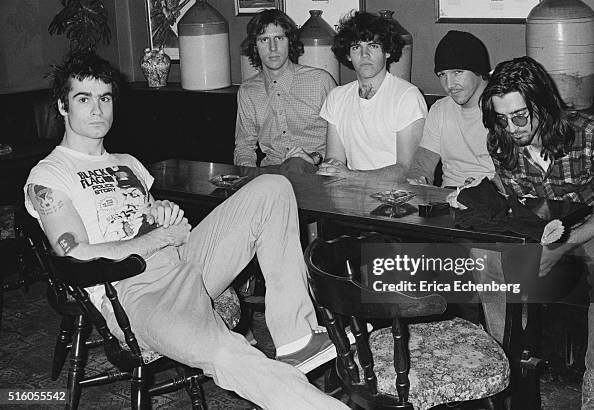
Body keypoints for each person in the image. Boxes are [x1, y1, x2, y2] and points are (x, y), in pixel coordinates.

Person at [24, 51, 348, 410]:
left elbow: (138, 219)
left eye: (105, 98)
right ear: (63, 106)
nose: (97, 109)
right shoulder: (50, 174)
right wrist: (154, 239)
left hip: (181, 260)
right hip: (134, 292)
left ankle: (297, 338)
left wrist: (162, 215)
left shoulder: (128, 164)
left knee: (271, 187)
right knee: (229, 353)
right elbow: (75, 253)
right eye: (83, 99)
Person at [479, 56, 594, 409]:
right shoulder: (501, 142)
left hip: (592, 227)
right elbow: (515, 207)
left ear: (543, 104)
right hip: (537, 228)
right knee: (487, 261)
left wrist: (561, 246)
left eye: (520, 116)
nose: (511, 128)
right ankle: (502, 368)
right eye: (502, 119)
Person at [318, 12, 427, 181]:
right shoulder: (337, 97)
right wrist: (329, 168)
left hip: (397, 196)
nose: (364, 54)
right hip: (350, 191)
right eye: (356, 48)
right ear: (348, 55)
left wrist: (351, 176)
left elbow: (406, 169)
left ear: (388, 52)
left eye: (373, 46)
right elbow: (334, 158)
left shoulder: (407, 96)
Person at [234, 9, 336, 174]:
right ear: (255, 46)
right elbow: (244, 147)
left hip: (317, 171)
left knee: (295, 164)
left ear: (290, 41)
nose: (272, 48)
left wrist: (315, 158)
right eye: (264, 39)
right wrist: (249, 180)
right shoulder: (248, 91)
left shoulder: (320, 81)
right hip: (271, 174)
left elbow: (343, 140)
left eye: (279, 38)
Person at [407, 30, 495, 188]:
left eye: (457, 72)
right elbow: (421, 166)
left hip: (496, 200)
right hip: (447, 199)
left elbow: (517, 177)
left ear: (478, 70)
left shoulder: (506, 108)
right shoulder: (440, 109)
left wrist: (478, 191)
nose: (449, 84)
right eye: (442, 75)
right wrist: (418, 181)